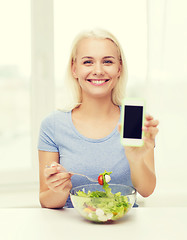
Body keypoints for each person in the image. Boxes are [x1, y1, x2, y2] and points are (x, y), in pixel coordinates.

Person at [38, 28, 159, 209]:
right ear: (74, 68)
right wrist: (60, 190)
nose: (98, 70)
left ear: (119, 68)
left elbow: (147, 190)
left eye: (107, 61)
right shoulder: (53, 125)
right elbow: (45, 200)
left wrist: (135, 159)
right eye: (88, 62)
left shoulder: (134, 120)